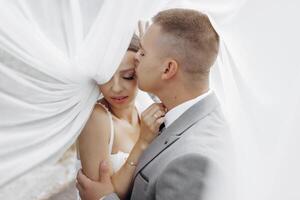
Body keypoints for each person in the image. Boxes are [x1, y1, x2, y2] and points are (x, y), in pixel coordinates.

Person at [77, 8, 234, 200]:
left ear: (168, 68)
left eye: (143, 53)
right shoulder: (177, 113)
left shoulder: (192, 159)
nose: (136, 57)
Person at [76, 34, 166, 199]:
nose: (116, 88)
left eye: (128, 76)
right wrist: (142, 143)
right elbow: (106, 196)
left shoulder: (144, 105)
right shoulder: (96, 119)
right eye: (106, 78)